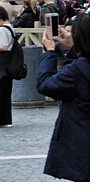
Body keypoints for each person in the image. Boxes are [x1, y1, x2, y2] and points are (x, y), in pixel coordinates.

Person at [37, 14, 89, 182]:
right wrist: (73, 47)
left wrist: (50, 52)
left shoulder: (75, 71)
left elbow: (45, 84)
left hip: (82, 143)